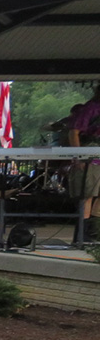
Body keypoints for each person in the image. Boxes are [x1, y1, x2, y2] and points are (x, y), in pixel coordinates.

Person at [68, 84, 100, 241]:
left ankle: (94, 232)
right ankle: (82, 236)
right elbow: (74, 132)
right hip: (90, 155)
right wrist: (78, 155)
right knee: (87, 194)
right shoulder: (91, 108)